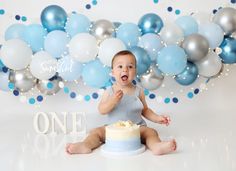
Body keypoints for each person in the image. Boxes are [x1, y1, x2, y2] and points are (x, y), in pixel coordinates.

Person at [66, 50, 177, 155]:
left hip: (136, 128)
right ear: (113, 72)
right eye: (120, 66)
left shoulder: (139, 91)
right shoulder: (109, 91)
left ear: (135, 71)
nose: (125, 70)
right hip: (112, 129)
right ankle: (85, 145)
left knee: (151, 132)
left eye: (130, 66)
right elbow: (101, 110)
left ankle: (156, 146)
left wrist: (158, 118)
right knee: (96, 132)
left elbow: (145, 110)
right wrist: (112, 101)